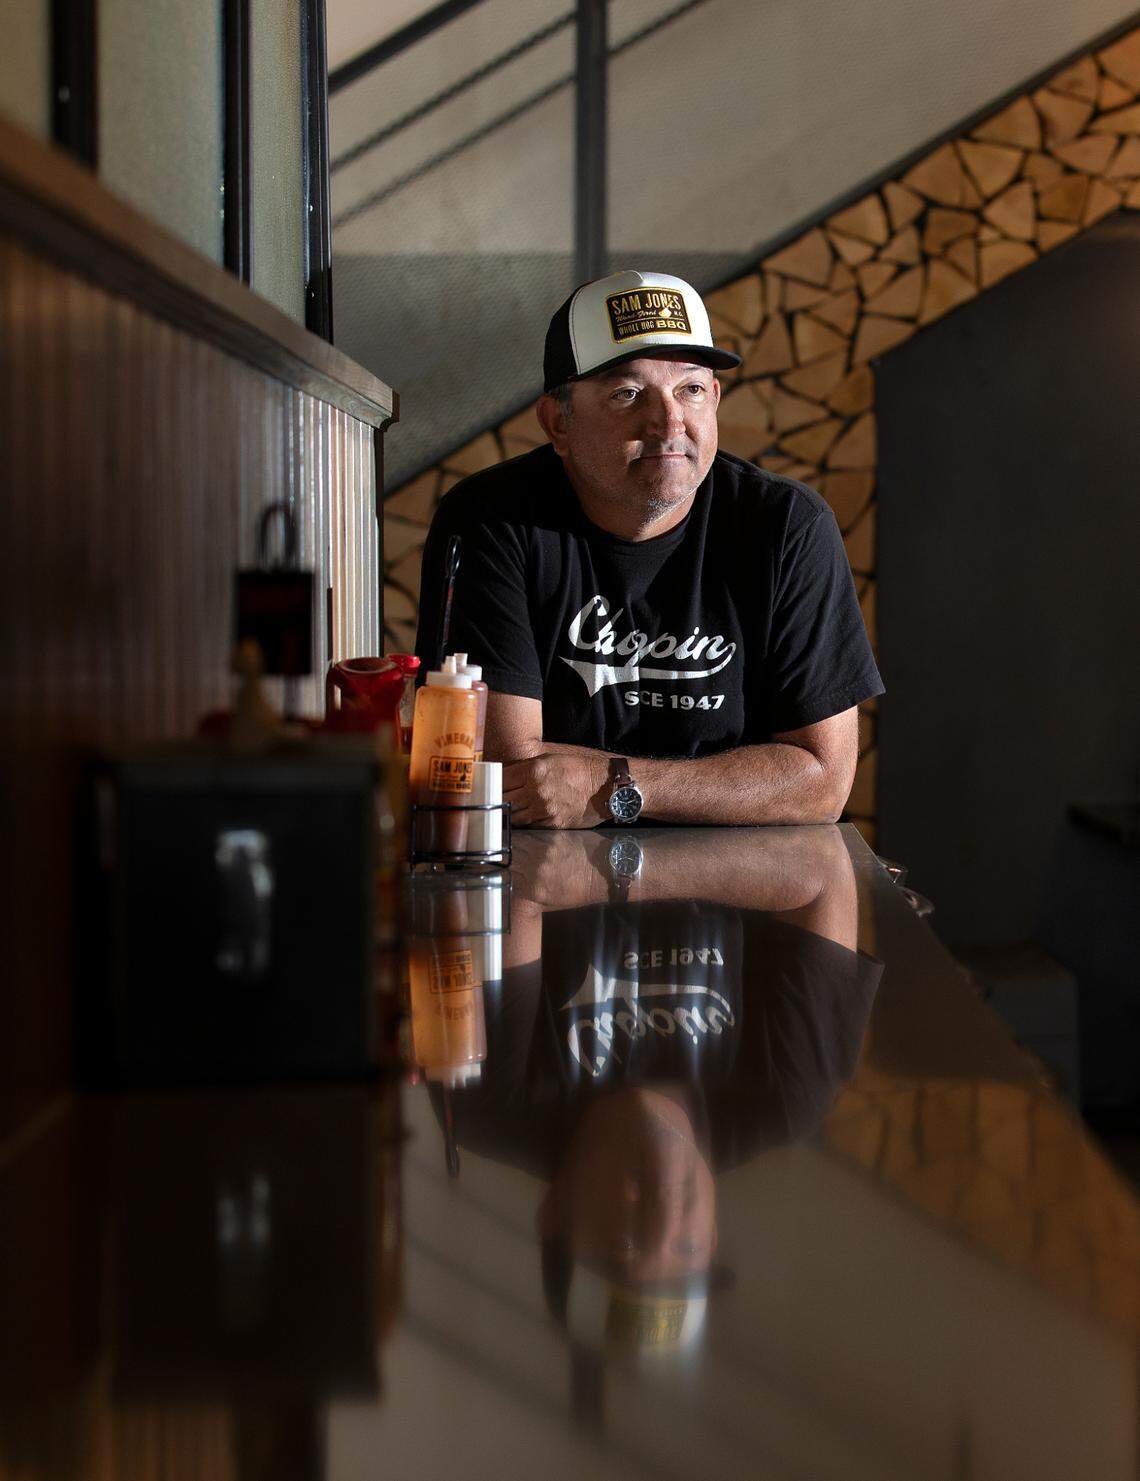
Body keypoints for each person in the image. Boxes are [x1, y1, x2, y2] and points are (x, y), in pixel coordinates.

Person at [415, 269, 883, 828]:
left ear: (715, 399)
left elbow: (823, 784)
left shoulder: (787, 526)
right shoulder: (491, 520)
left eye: (690, 389)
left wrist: (613, 784)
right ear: (557, 423)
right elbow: (507, 771)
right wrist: (740, 781)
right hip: (551, 873)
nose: (669, 422)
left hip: (745, 875)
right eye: (628, 394)